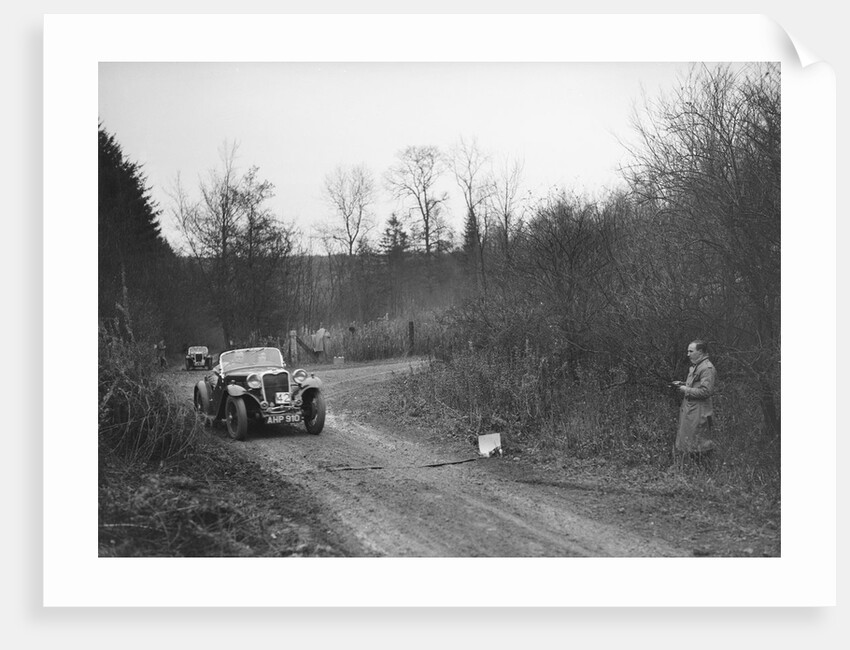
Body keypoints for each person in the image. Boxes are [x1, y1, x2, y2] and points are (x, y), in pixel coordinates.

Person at [674, 340, 717, 465]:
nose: (688, 354)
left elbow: (706, 392)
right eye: (688, 351)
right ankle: (693, 470)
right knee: (691, 442)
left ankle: (704, 471)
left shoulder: (707, 368)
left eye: (691, 351)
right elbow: (697, 386)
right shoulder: (697, 366)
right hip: (691, 411)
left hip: (699, 412)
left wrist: (685, 389)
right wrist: (682, 384)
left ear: (701, 352)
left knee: (699, 443)